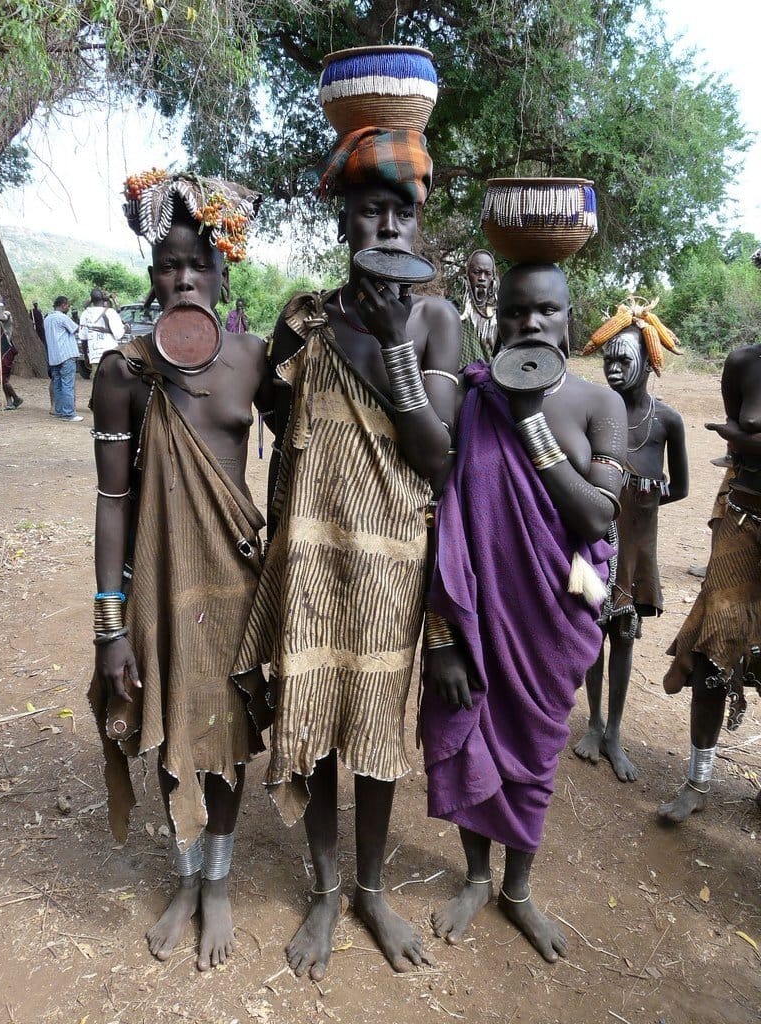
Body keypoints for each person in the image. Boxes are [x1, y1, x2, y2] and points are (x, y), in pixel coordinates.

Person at [232, 126, 460, 980]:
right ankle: (325, 891)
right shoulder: (305, 322)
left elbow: (437, 453)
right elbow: (275, 428)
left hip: (392, 568)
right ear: (345, 225)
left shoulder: (435, 322)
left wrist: (392, 344)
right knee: (315, 724)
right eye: (371, 214)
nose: (390, 230)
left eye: (404, 214)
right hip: (312, 558)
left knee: (372, 728)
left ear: (421, 226)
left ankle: (370, 889)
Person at [87, 170, 267, 970]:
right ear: (149, 271)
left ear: (226, 272)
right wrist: (110, 626)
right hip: (155, 586)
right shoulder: (123, 373)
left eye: (198, 261)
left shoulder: (252, 362)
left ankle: (220, 878)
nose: (183, 276)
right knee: (164, 727)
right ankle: (186, 877)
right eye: (167, 261)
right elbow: (113, 502)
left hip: (234, 582)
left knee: (226, 735)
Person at [420, 263, 625, 962]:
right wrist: (441, 636)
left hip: (555, 609)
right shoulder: (471, 398)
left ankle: (517, 889)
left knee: (535, 749)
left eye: (544, 312)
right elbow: (441, 518)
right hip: (476, 612)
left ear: (569, 320)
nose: (528, 326)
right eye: (513, 314)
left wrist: (531, 416)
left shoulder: (601, 406)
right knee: (469, 730)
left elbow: (597, 517)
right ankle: (477, 877)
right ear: (494, 317)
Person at [574, 322, 688, 781]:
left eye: (625, 360)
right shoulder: (595, 410)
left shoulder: (666, 421)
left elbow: (679, 487)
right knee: (591, 632)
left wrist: (644, 493)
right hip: (596, 536)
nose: (615, 368)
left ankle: (615, 732)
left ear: (649, 363)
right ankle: (593, 722)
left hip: (638, 544)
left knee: (622, 635)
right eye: (609, 360)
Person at [658, 340, 761, 823]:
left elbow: (741, 436)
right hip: (742, 513)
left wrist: (745, 436)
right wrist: (739, 437)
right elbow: (733, 446)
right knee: (712, 648)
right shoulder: (743, 363)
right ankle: (698, 780)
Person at [43, 296, 82, 422]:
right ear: (63, 305)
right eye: (68, 305)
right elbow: (76, 329)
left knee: (57, 384)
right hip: (66, 355)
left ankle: (59, 411)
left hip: (54, 356)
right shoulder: (62, 317)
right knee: (67, 385)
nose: (68, 307)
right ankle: (68, 413)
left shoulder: (47, 318)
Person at [458, 249, 499, 367]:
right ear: (467, 275)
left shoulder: (498, 314)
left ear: (493, 279)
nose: (482, 278)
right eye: (477, 272)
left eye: (487, 273)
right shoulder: (454, 310)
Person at [78, 287, 125, 375]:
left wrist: (86, 356)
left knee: (98, 385)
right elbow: (118, 335)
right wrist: (125, 328)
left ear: (91, 300)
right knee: (113, 383)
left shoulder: (85, 314)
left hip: (94, 356)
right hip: (111, 355)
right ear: (103, 300)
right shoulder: (111, 312)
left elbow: (83, 338)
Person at [0, 303, 24, 409]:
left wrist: (0, 307)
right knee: (3, 377)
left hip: (6, 350)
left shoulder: (6, 314)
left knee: (0, 376)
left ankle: (16, 398)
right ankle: (9, 402)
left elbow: (2, 317)